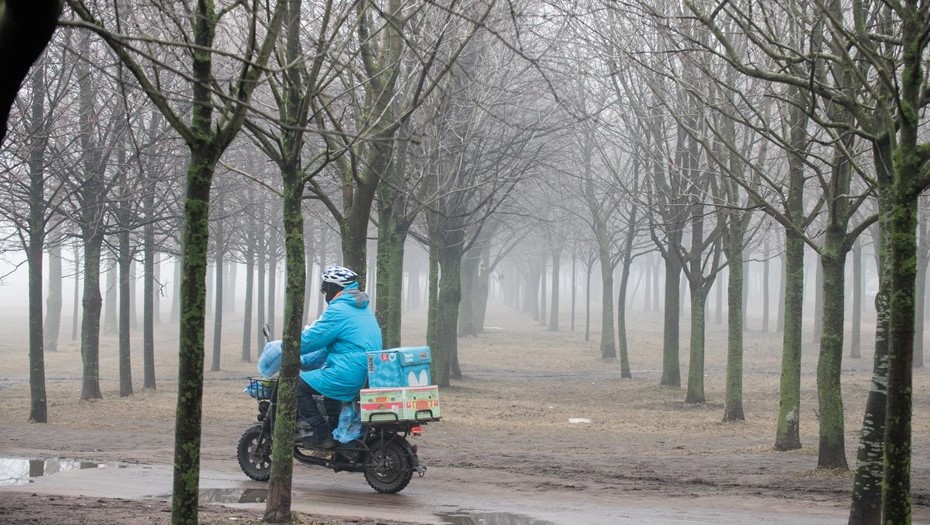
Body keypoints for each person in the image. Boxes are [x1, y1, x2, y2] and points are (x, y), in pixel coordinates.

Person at [296, 265, 382, 448]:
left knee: (296, 385)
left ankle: (321, 433)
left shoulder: (339, 310)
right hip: (366, 372)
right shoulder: (361, 308)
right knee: (328, 386)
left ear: (335, 288)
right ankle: (335, 432)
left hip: (348, 372)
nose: (324, 293)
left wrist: (288, 346)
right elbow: (330, 346)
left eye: (325, 288)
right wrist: (304, 360)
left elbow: (311, 341)